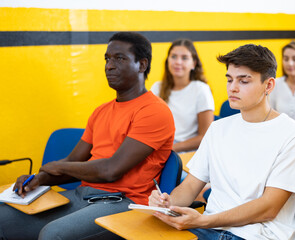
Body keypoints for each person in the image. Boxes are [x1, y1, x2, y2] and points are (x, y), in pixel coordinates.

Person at [0, 32, 175, 239]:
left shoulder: (154, 111)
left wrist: (57, 166)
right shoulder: (100, 112)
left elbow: (111, 170)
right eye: (107, 59)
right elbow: (74, 161)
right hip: (83, 195)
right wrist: (38, 179)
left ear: (142, 65)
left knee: (53, 235)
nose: (109, 66)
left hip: (124, 203)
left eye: (119, 58)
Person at [149, 44, 295, 240]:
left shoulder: (294, 134)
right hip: (210, 230)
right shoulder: (218, 129)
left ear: (268, 85)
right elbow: (191, 186)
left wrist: (203, 221)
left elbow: (269, 208)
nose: (232, 88)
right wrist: (167, 204)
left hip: (257, 235)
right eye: (229, 79)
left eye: (243, 81)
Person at [151, 39, 214, 152]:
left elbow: (205, 136)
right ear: (168, 60)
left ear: (193, 63)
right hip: (159, 149)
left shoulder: (201, 90)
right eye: (173, 56)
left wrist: (169, 149)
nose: (178, 62)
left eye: (184, 58)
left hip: (185, 155)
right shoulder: (157, 88)